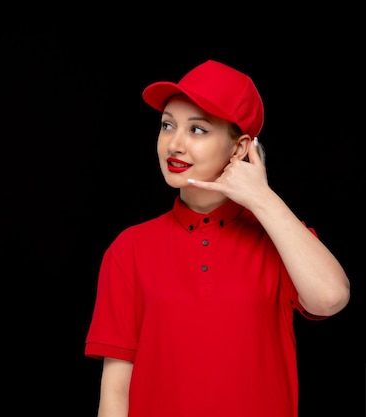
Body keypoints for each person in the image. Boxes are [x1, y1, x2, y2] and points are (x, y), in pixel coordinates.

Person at [84, 59, 350, 417]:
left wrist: (263, 198)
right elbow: (115, 393)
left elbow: (330, 298)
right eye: (167, 125)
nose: (174, 144)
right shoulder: (129, 248)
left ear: (240, 148)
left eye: (198, 130)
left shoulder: (279, 237)